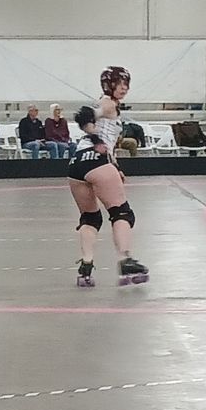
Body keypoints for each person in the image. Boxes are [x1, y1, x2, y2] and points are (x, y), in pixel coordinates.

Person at [67, 66, 149, 288]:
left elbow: (90, 124)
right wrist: (98, 143)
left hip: (76, 164)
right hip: (96, 161)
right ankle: (125, 261)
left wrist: (114, 163)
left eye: (126, 84)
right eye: (119, 83)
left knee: (90, 218)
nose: (124, 88)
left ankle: (86, 266)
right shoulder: (108, 103)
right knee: (122, 213)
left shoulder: (102, 102)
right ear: (108, 85)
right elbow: (82, 117)